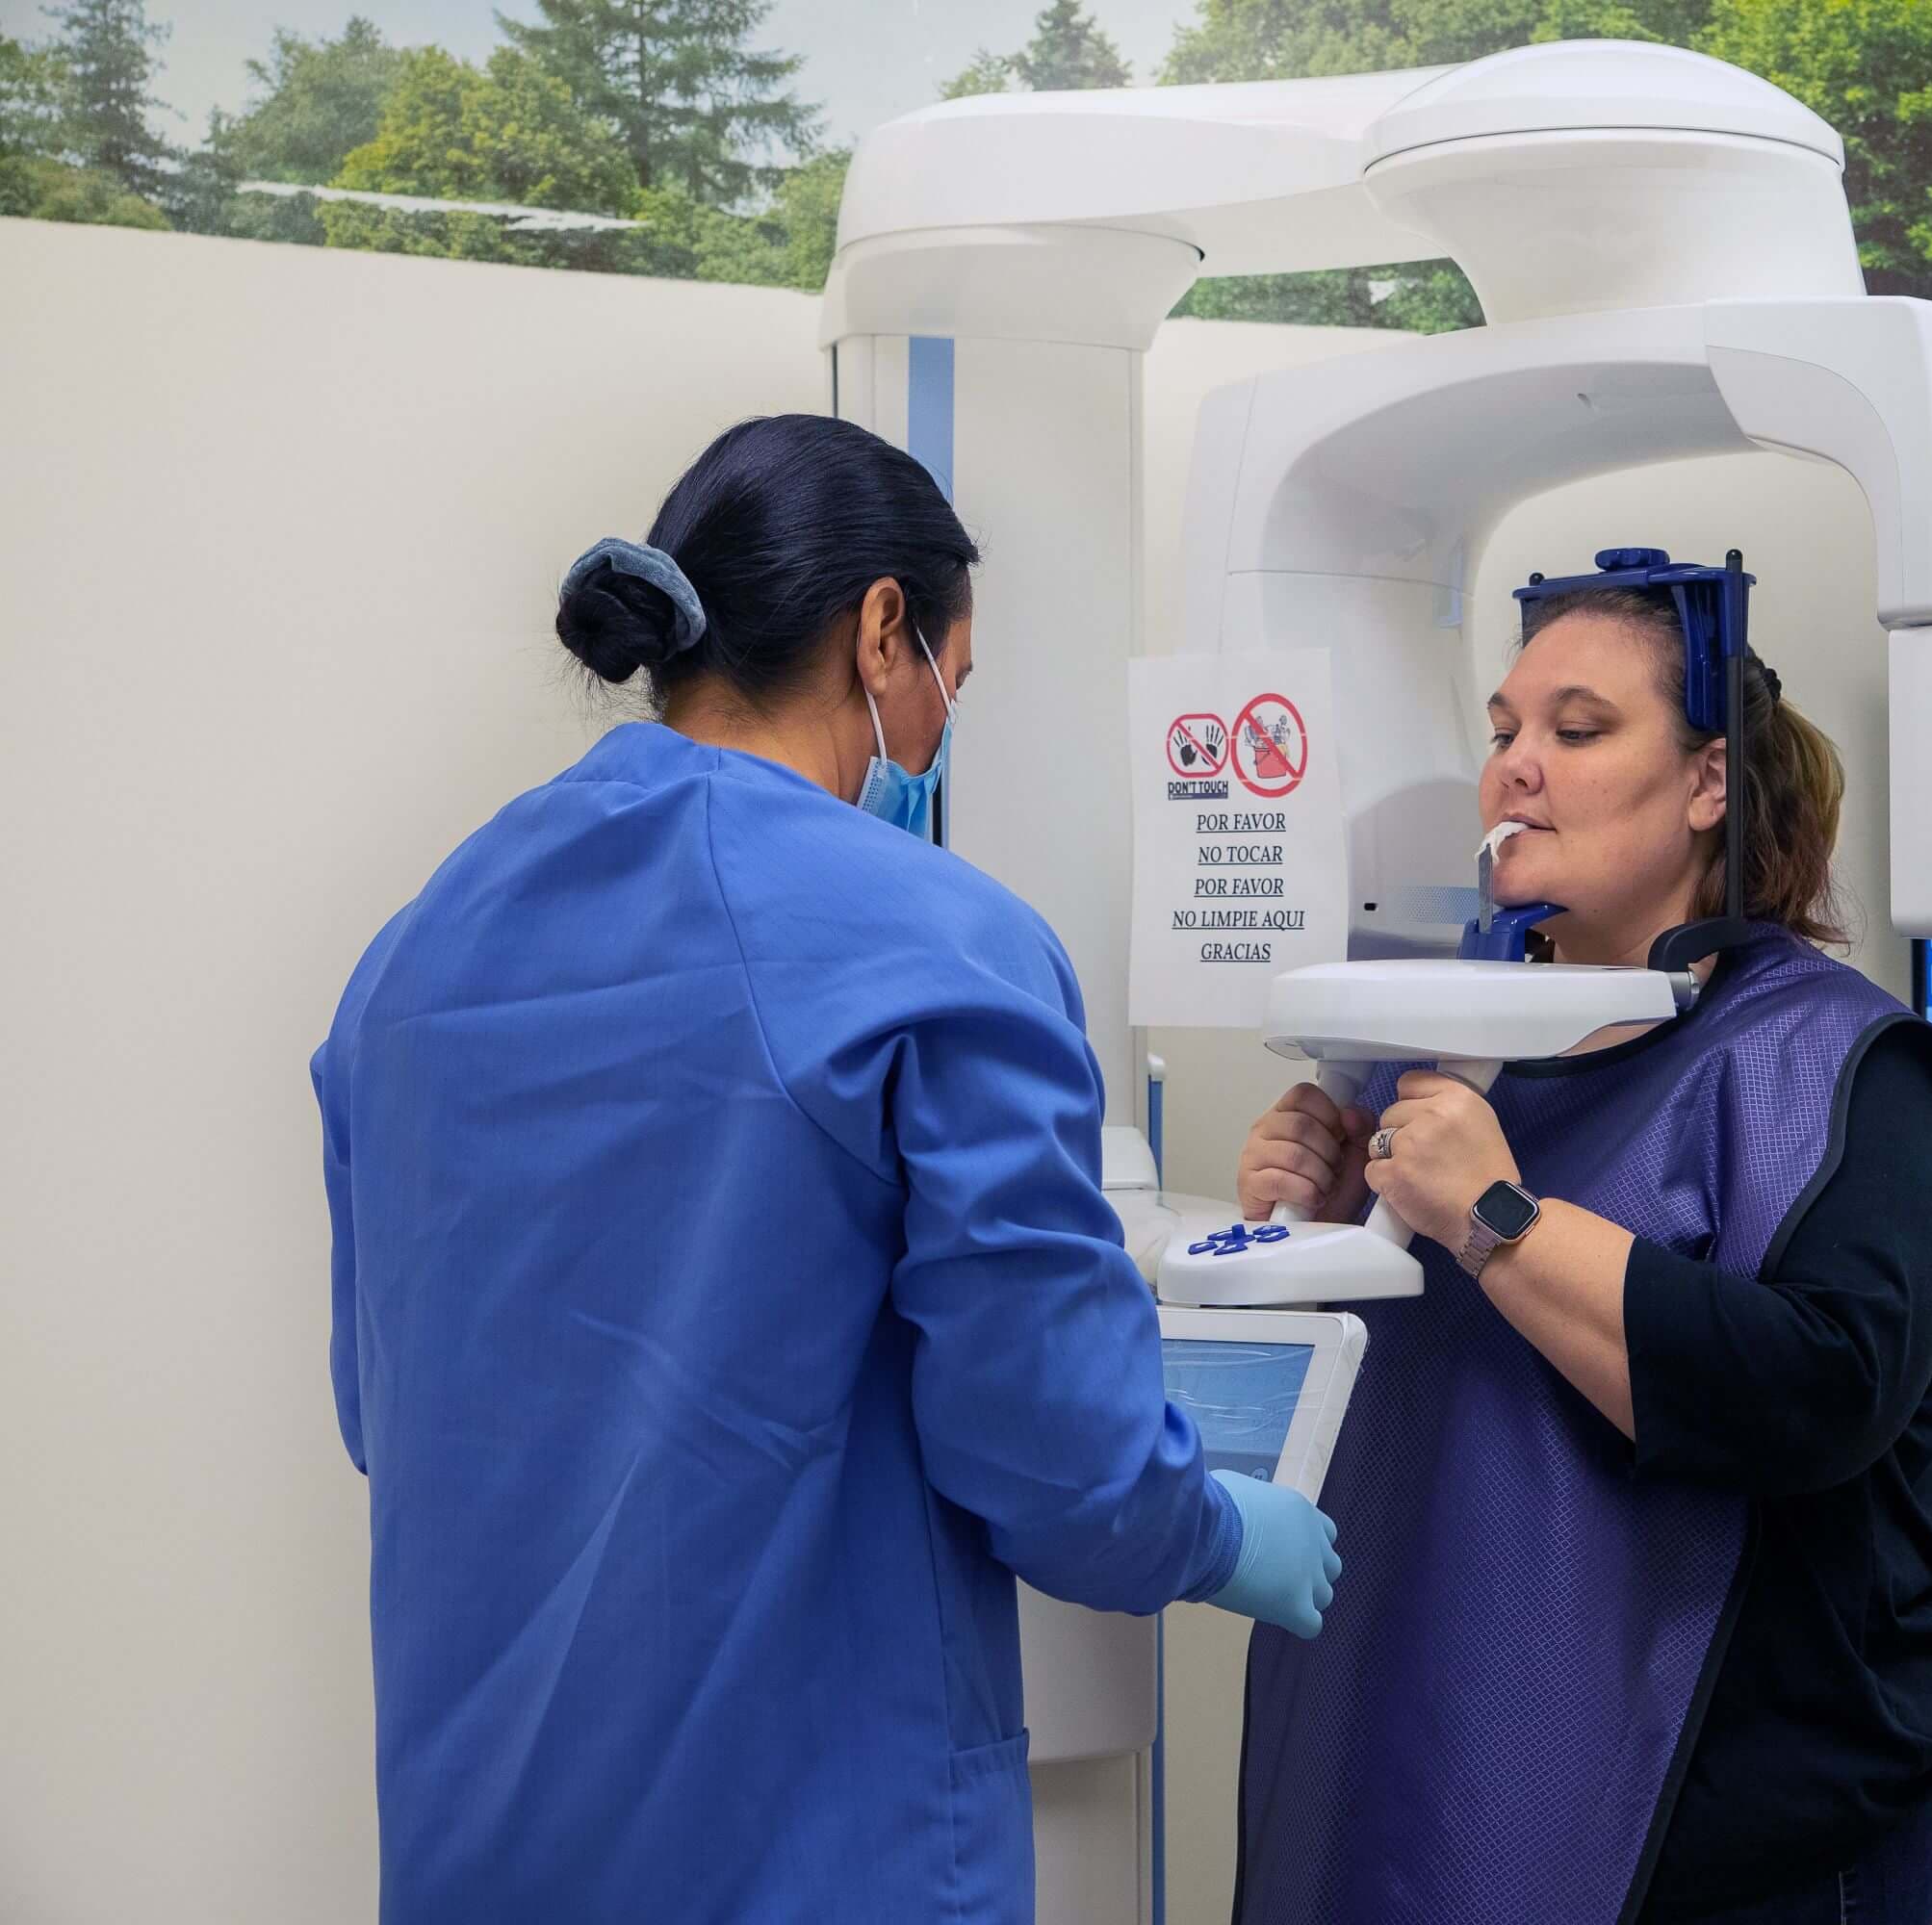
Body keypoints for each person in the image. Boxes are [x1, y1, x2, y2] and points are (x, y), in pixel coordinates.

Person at [312, 414, 1339, 1925]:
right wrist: (1222, 1533)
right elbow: (1060, 1462)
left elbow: (385, 1410)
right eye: (952, 683)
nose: (936, 734)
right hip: (808, 1854)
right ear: (881, 631)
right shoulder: (942, 945)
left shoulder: (415, 953)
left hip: (484, 1846)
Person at [1227, 572, 1932, 1925]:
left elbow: (1824, 1392)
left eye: (1579, 729)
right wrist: (1315, 1236)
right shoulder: (1444, 1049)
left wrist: (1496, 1220)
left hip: (1731, 1832)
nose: (1516, 767)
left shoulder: (1841, 1069)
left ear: (1709, 782)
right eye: (1503, 731)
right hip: (1434, 1767)